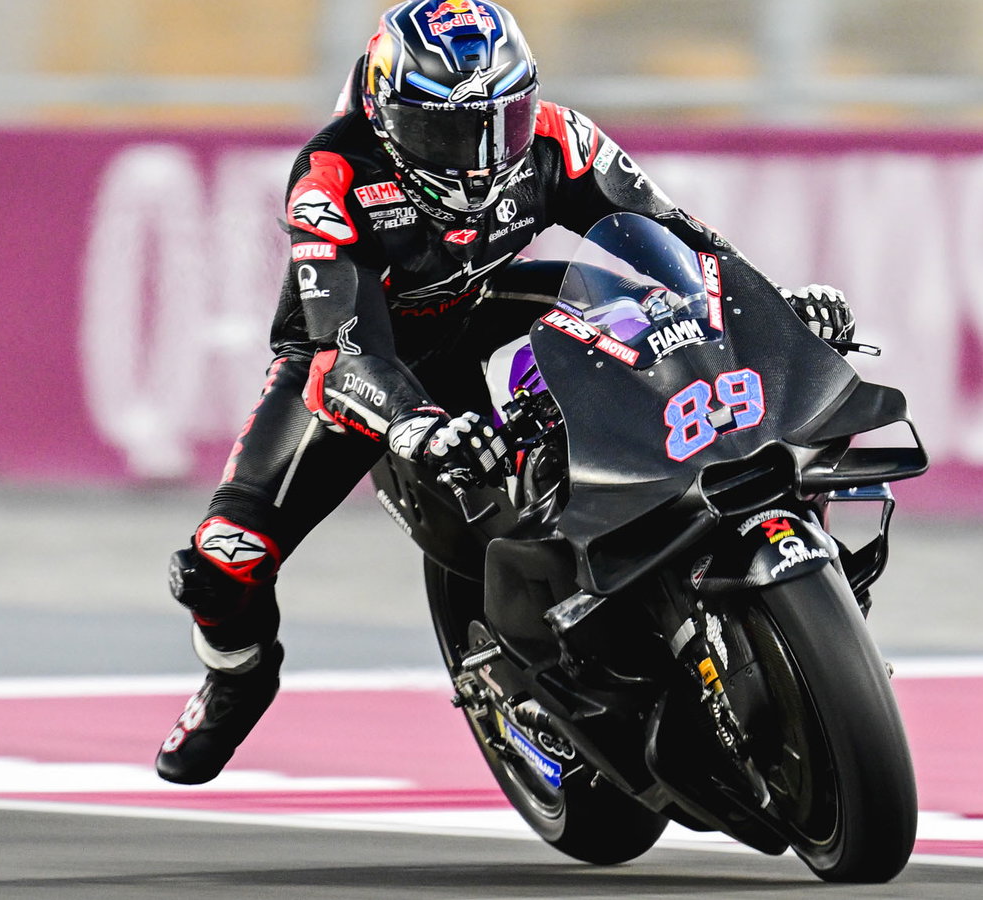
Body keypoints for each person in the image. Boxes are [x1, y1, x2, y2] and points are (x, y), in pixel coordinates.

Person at [155, 0, 856, 785]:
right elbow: (342, 349)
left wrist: (773, 313)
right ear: (387, 119)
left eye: (502, 121)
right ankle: (238, 676)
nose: (481, 159)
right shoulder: (333, 178)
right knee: (226, 558)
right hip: (363, 359)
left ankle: (720, 547)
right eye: (448, 133)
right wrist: (417, 426)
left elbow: (680, 240)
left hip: (485, 301)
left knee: (654, 312)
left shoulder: (560, 139)